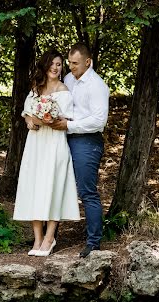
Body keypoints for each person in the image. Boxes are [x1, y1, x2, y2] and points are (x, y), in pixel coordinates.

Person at [13, 49, 80, 257]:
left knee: (54, 186)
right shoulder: (36, 88)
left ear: (62, 68)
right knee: (35, 187)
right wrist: (28, 120)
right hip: (36, 144)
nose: (55, 67)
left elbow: (61, 121)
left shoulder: (64, 91)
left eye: (59, 64)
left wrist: (40, 119)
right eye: (52, 63)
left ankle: (50, 238)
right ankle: (38, 238)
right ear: (45, 65)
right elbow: (26, 112)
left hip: (54, 144)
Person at [49, 43, 110, 258]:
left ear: (88, 62)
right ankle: (50, 238)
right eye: (69, 63)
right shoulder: (68, 80)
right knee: (57, 187)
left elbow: (99, 121)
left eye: (75, 63)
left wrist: (69, 125)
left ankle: (93, 243)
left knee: (87, 191)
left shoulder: (97, 85)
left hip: (87, 141)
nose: (70, 67)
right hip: (64, 138)